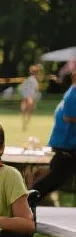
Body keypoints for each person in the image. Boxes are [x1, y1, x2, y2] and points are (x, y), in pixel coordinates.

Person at [32, 71, 76, 200]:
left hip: (68, 145)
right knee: (53, 180)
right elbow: (69, 117)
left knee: (55, 180)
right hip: (66, 145)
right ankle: (26, 202)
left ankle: (27, 201)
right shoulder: (73, 94)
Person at [19, 65, 42, 133]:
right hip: (30, 97)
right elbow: (36, 89)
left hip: (25, 96)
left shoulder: (27, 79)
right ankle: (27, 123)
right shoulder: (34, 80)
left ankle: (25, 123)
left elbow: (22, 88)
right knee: (29, 110)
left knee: (24, 110)